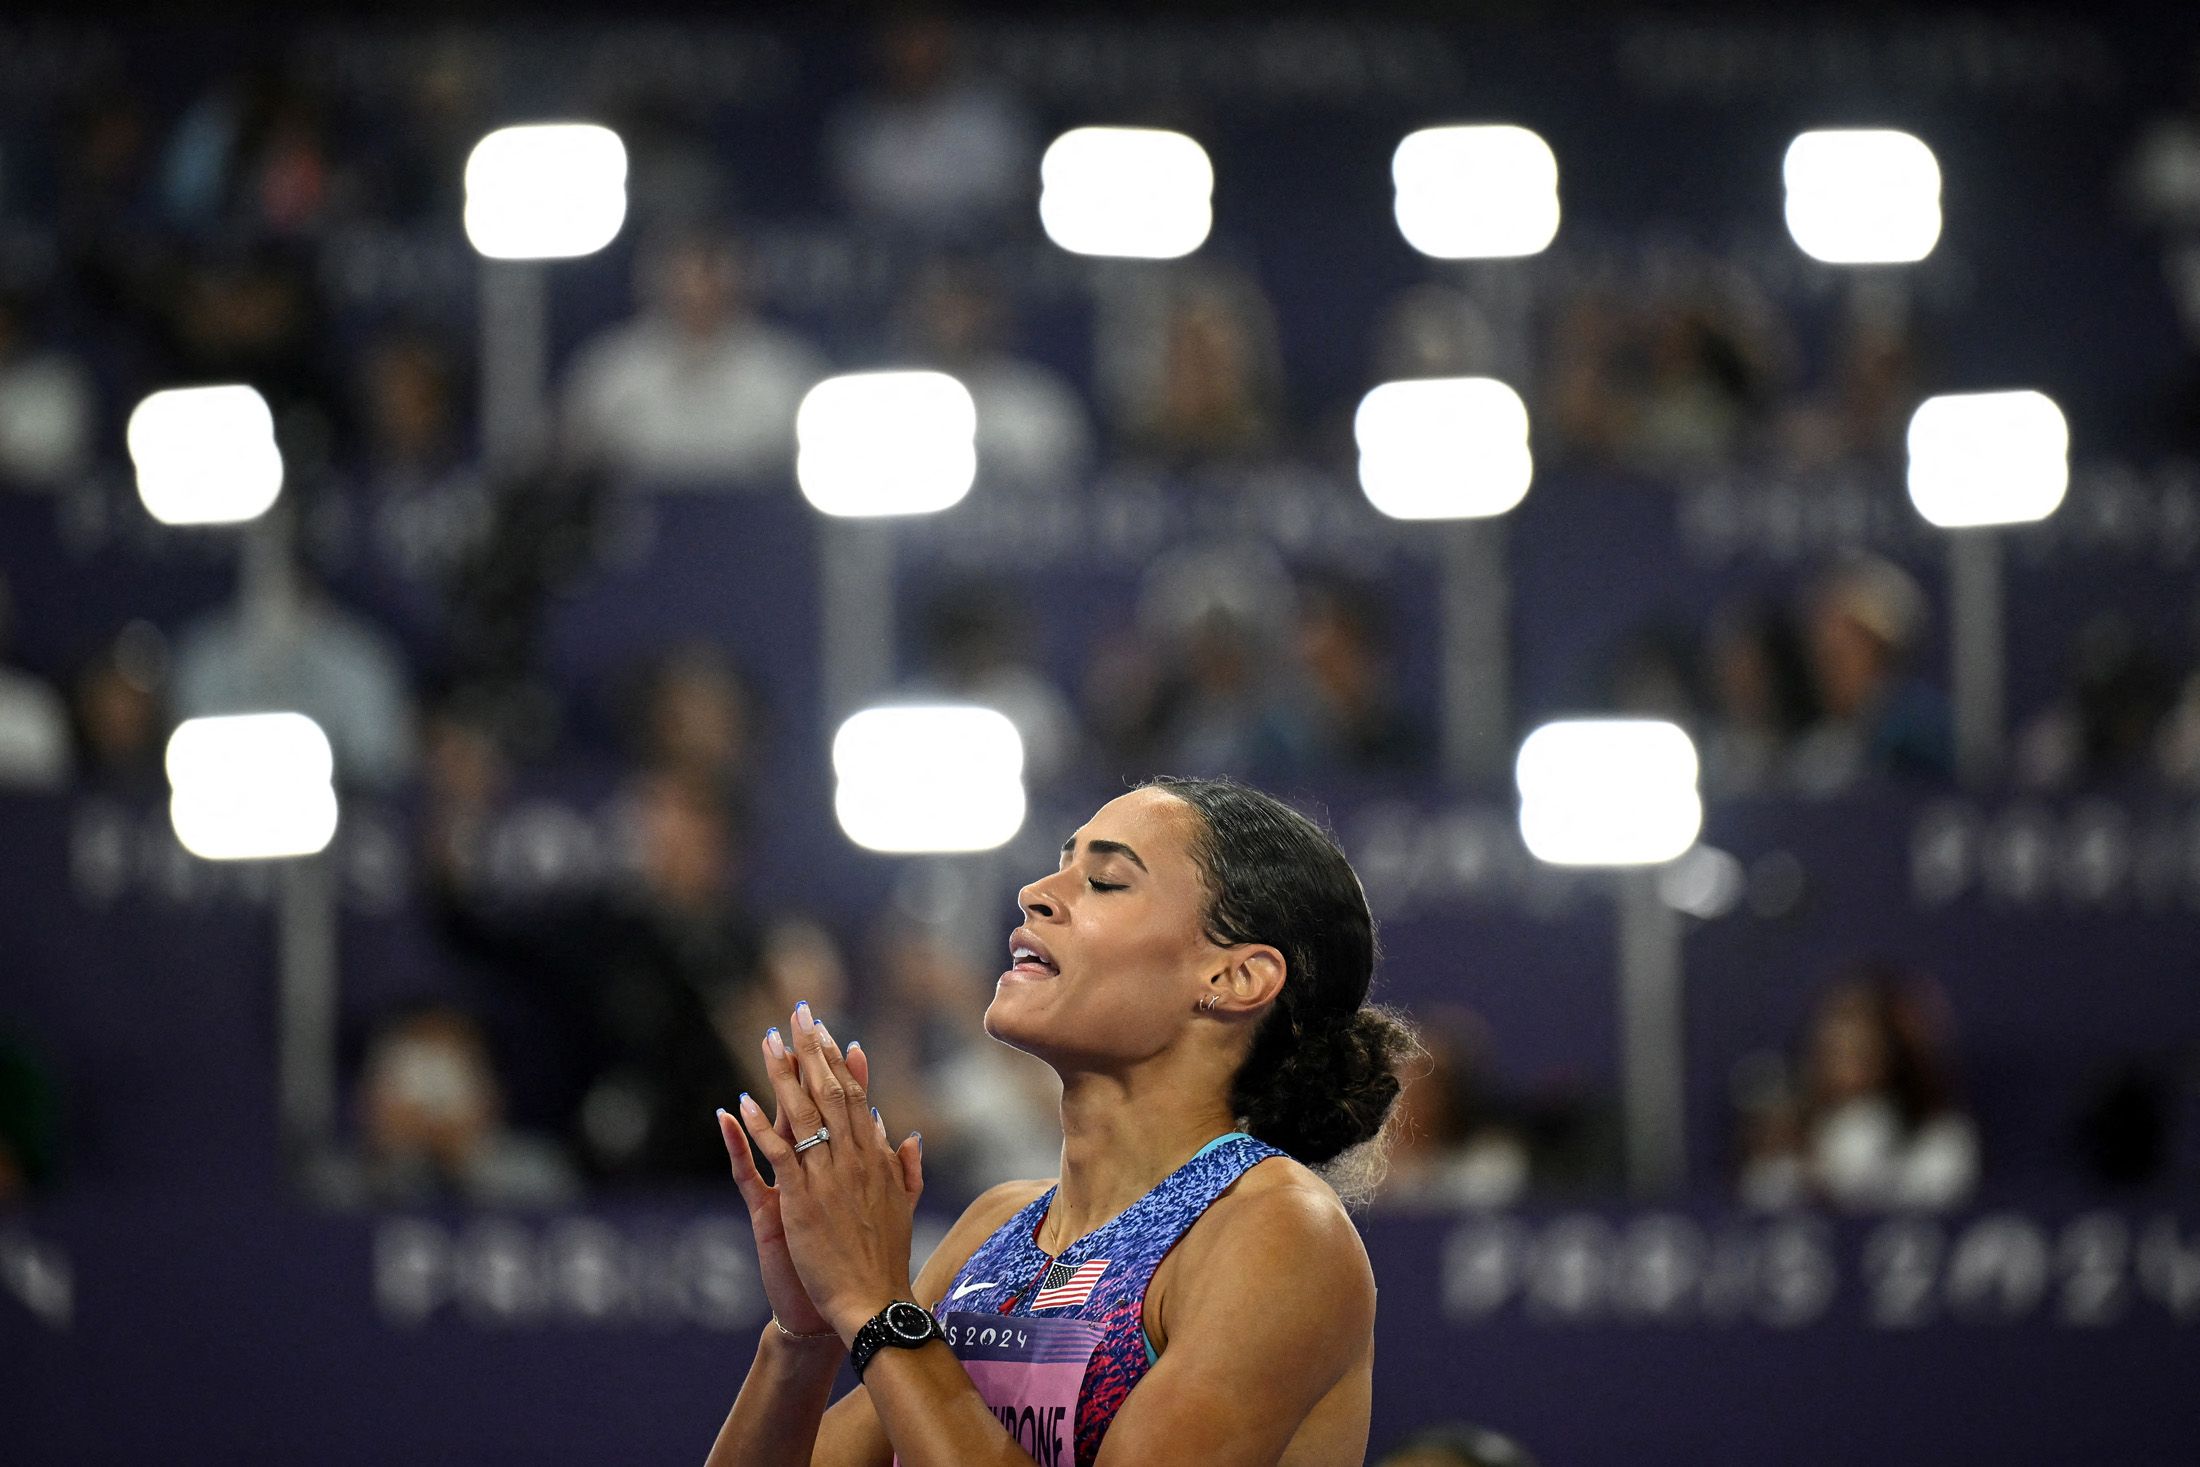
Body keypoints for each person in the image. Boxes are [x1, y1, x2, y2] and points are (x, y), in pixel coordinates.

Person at [704, 777, 1414, 1467]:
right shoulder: (995, 1226)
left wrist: (875, 1304)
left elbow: (888, 1327)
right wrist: (802, 1337)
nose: (1035, 893)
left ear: (1234, 977)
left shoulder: (1279, 1231)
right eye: (1060, 864)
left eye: (1105, 880)